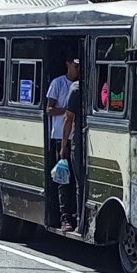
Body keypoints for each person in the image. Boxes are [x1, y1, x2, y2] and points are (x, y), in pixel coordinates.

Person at [46, 54, 80, 232]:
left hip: (75, 138)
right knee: (63, 180)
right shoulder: (58, 83)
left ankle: (76, 216)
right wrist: (67, 112)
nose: (77, 69)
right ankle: (64, 218)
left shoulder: (81, 84)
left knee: (75, 180)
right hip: (60, 138)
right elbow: (49, 109)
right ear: (68, 64)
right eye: (75, 66)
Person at [61, 79, 83, 233]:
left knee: (79, 183)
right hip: (85, 143)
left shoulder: (75, 88)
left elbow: (68, 119)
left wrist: (63, 146)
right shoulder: (100, 83)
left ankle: (80, 221)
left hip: (78, 143)